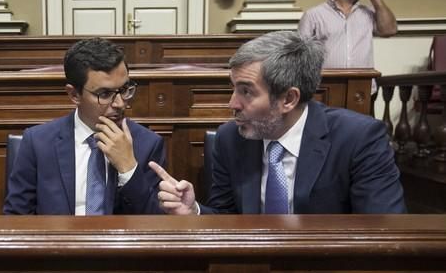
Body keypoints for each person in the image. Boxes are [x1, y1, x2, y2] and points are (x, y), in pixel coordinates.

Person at [149, 30, 406, 215]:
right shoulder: (230, 139)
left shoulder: (358, 139)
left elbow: (382, 229)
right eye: (234, 89)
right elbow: (227, 220)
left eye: (246, 91)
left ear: (288, 99)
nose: (232, 104)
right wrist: (192, 210)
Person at [4, 37, 166, 215]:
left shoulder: (148, 144)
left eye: (125, 89)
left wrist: (128, 170)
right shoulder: (37, 142)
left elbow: (155, 221)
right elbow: (17, 216)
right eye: (105, 94)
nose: (120, 103)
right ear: (74, 95)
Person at [298, 0, 396, 70]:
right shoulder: (314, 16)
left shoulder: (367, 13)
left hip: (362, 84)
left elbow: (389, 30)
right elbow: (300, 56)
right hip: (326, 84)